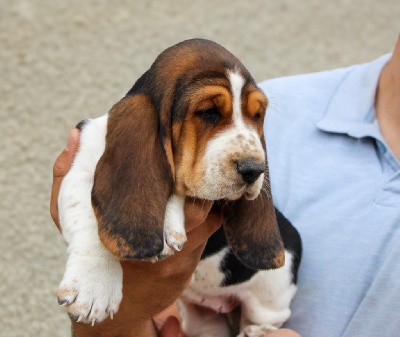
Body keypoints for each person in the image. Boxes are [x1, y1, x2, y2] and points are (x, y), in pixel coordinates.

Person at [50, 35, 400, 337]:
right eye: (210, 113)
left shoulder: (250, 109)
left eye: (255, 117)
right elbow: (86, 182)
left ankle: (264, 318)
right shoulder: (280, 99)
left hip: (242, 285)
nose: (251, 153)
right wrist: (103, 264)